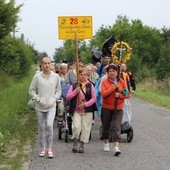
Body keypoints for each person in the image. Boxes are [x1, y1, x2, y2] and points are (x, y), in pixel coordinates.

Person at [29, 57, 61, 158]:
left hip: (51, 106)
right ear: (41, 65)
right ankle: (42, 148)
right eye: (45, 63)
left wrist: (54, 99)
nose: (47, 65)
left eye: (48, 63)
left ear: (51, 64)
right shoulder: (37, 77)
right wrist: (38, 99)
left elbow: (58, 91)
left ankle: (49, 148)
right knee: (41, 127)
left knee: (49, 125)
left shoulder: (56, 76)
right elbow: (31, 90)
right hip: (40, 106)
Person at [100, 64, 131, 156]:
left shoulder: (121, 82)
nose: (112, 73)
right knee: (106, 127)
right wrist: (113, 88)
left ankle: (116, 147)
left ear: (117, 72)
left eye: (114, 71)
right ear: (107, 73)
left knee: (117, 127)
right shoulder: (105, 82)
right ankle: (106, 142)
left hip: (118, 109)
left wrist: (120, 95)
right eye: (110, 71)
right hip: (106, 108)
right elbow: (104, 94)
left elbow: (127, 94)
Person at [66, 68, 96, 153]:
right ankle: (75, 143)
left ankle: (81, 145)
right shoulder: (74, 85)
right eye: (81, 75)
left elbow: (94, 98)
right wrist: (75, 91)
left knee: (86, 128)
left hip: (87, 110)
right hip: (76, 110)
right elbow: (68, 97)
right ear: (78, 76)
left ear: (87, 76)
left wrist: (85, 104)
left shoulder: (90, 85)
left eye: (84, 75)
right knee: (76, 126)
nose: (83, 76)